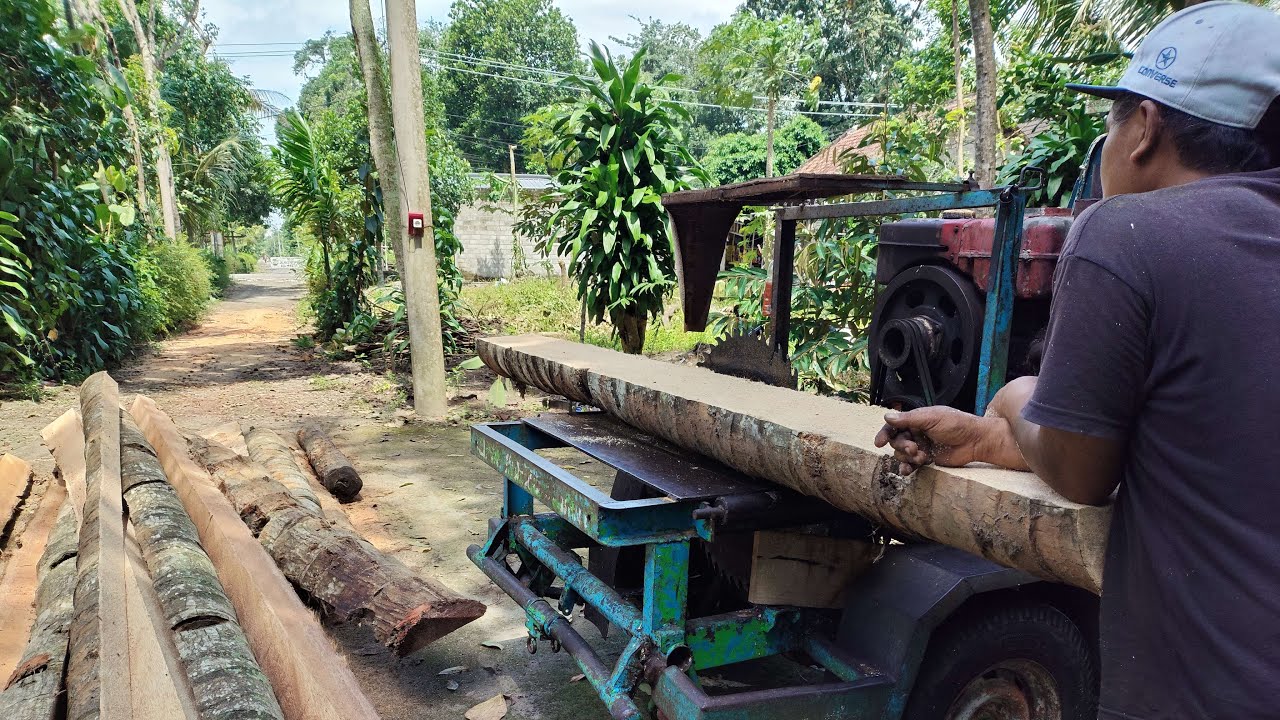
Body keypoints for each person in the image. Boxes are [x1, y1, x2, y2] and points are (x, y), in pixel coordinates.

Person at [873, 2, 1280, 718]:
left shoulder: (1127, 231)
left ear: (1145, 127)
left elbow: (1083, 471)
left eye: (1110, 122)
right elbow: (1207, 442)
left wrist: (1017, 397)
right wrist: (990, 441)